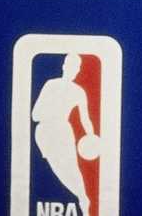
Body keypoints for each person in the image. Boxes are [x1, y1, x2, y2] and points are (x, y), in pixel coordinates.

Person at [32, 54, 95, 216]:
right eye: (70, 65)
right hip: (44, 132)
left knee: (71, 168)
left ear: (79, 70)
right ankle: (81, 197)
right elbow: (35, 114)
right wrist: (51, 110)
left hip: (63, 131)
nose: (73, 69)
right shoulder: (50, 85)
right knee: (59, 169)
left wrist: (92, 137)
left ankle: (83, 199)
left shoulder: (79, 92)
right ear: (64, 66)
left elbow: (85, 119)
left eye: (76, 66)